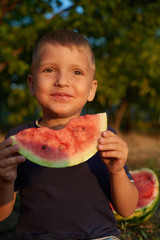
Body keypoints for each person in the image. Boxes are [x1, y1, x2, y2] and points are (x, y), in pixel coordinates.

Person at [0, 29, 139, 240]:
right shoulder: (18, 139)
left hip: (99, 237)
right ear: (31, 84)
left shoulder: (104, 137)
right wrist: (5, 180)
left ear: (92, 90)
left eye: (77, 72)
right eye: (49, 70)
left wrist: (117, 172)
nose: (62, 81)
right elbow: (2, 214)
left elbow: (127, 210)